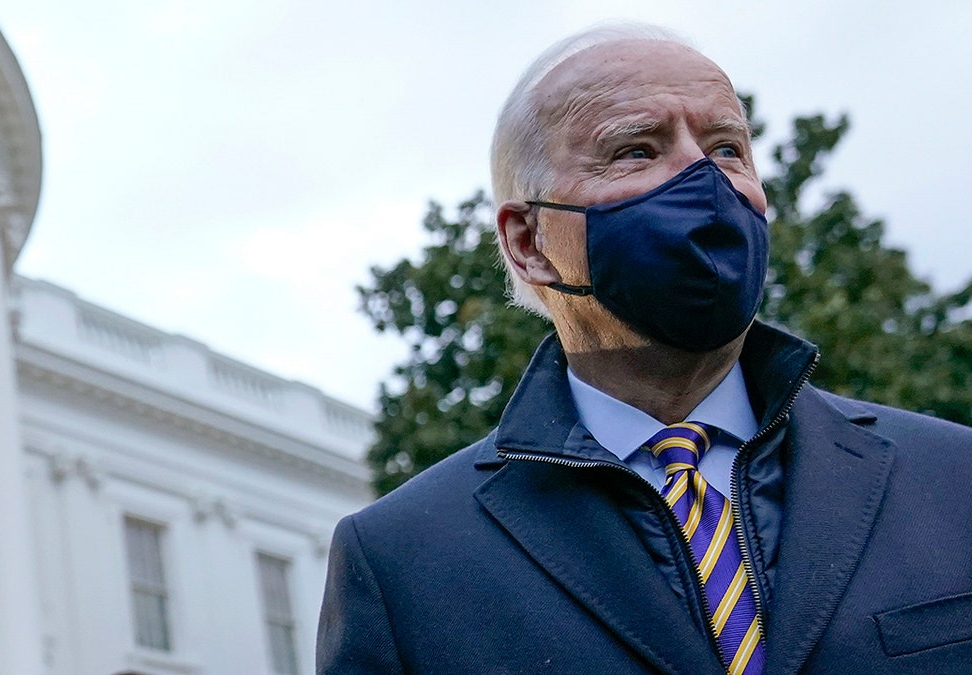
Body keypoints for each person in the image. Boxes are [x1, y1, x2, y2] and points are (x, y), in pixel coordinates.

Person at [317, 22, 972, 675]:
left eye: (726, 148)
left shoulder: (954, 478)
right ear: (528, 240)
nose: (704, 178)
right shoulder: (401, 564)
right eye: (635, 150)